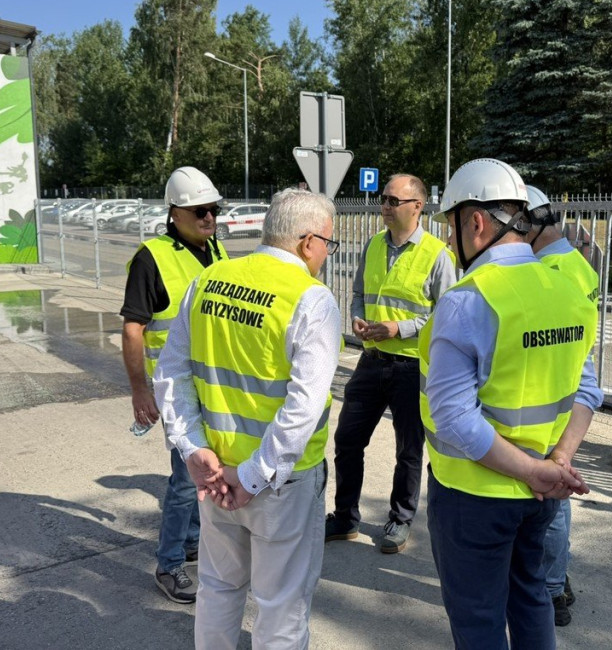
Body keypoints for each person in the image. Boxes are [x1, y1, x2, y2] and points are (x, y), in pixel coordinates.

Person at [421, 159, 598, 649]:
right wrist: (557, 461)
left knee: (478, 619)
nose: (448, 241)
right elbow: (586, 391)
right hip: (542, 491)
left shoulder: (468, 299)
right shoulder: (568, 290)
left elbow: (453, 417)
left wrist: (535, 471)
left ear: (475, 222)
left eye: (451, 226)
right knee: (531, 598)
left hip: (474, 493)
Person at [154, 188, 341, 649]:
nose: (327, 254)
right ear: (308, 242)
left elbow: (172, 372)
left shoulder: (209, 279)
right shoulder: (312, 299)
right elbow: (303, 408)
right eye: (328, 243)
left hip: (216, 474)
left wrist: (193, 449)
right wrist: (253, 475)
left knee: (218, 588)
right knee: (281, 607)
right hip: (281, 483)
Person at [325, 174, 457, 554]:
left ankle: (400, 520)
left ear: (417, 206)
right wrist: (357, 317)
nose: (384, 206)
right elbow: (357, 294)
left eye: (393, 200)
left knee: (408, 450)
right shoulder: (372, 245)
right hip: (371, 360)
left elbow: (446, 314)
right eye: (383, 199)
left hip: (411, 367)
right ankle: (345, 517)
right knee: (347, 439)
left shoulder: (438, 254)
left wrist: (400, 328)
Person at [120, 166, 228, 604]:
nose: (209, 218)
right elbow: (133, 330)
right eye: (200, 211)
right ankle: (168, 564)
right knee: (187, 479)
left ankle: (191, 542)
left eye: (214, 209)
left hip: (213, 385)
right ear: (175, 213)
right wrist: (140, 391)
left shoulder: (216, 250)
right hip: (177, 386)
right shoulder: (152, 258)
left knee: (205, 472)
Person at [524, 185, 603, 627]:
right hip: (565, 391)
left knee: (550, 499)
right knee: (555, 495)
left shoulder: (549, 271)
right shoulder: (575, 262)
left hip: (549, 395)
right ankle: (555, 581)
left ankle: (551, 588)